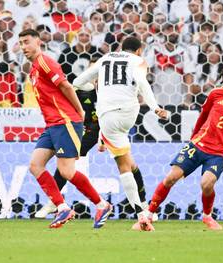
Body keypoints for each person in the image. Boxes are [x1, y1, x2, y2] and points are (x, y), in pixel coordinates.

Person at [146, 53, 223, 231]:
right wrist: (192, 139)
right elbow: (202, 117)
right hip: (197, 145)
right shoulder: (216, 94)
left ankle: (207, 216)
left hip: (219, 153)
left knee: (206, 184)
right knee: (170, 178)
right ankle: (148, 214)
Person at [35, 58, 154, 221]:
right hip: (87, 130)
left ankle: (144, 206)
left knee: (130, 164)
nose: (93, 74)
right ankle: (54, 202)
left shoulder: (108, 88)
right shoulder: (80, 89)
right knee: (66, 160)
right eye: (91, 70)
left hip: (108, 126)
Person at [18, 29, 112, 229]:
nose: (23, 47)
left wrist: (80, 112)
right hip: (52, 124)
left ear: (38, 41)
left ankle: (101, 204)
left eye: (27, 42)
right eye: (21, 43)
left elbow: (66, 86)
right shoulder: (34, 68)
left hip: (65, 121)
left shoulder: (45, 62)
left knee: (66, 171)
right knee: (35, 165)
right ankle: (62, 207)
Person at [73, 36, 168, 231]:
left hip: (108, 116)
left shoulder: (105, 58)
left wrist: (95, 86)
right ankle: (145, 210)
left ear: (120, 48)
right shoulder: (138, 61)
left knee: (123, 167)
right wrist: (155, 108)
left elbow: (78, 82)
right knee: (130, 162)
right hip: (129, 113)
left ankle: (141, 216)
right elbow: (142, 83)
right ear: (139, 51)